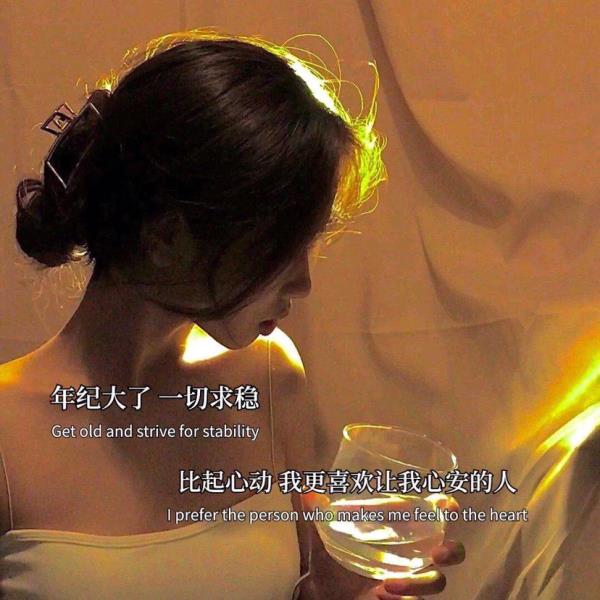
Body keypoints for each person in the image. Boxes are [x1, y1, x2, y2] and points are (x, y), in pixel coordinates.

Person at [0, 29, 464, 599]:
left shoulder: (268, 377)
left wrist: (326, 592)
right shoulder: (6, 433)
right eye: (279, 246)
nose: (303, 282)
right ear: (166, 238)